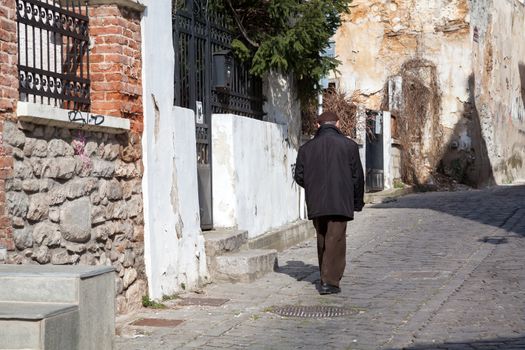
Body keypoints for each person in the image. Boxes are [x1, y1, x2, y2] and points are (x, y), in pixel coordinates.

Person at [294, 111, 365, 295]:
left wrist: (313, 187)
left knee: (322, 237)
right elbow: (357, 177)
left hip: (316, 201)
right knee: (336, 238)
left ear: (318, 125)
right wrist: (357, 201)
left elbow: (299, 176)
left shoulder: (306, 149)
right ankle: (330, 281)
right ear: (338, 124)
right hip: (341, 199)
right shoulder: (349, 146)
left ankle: (325, 275)